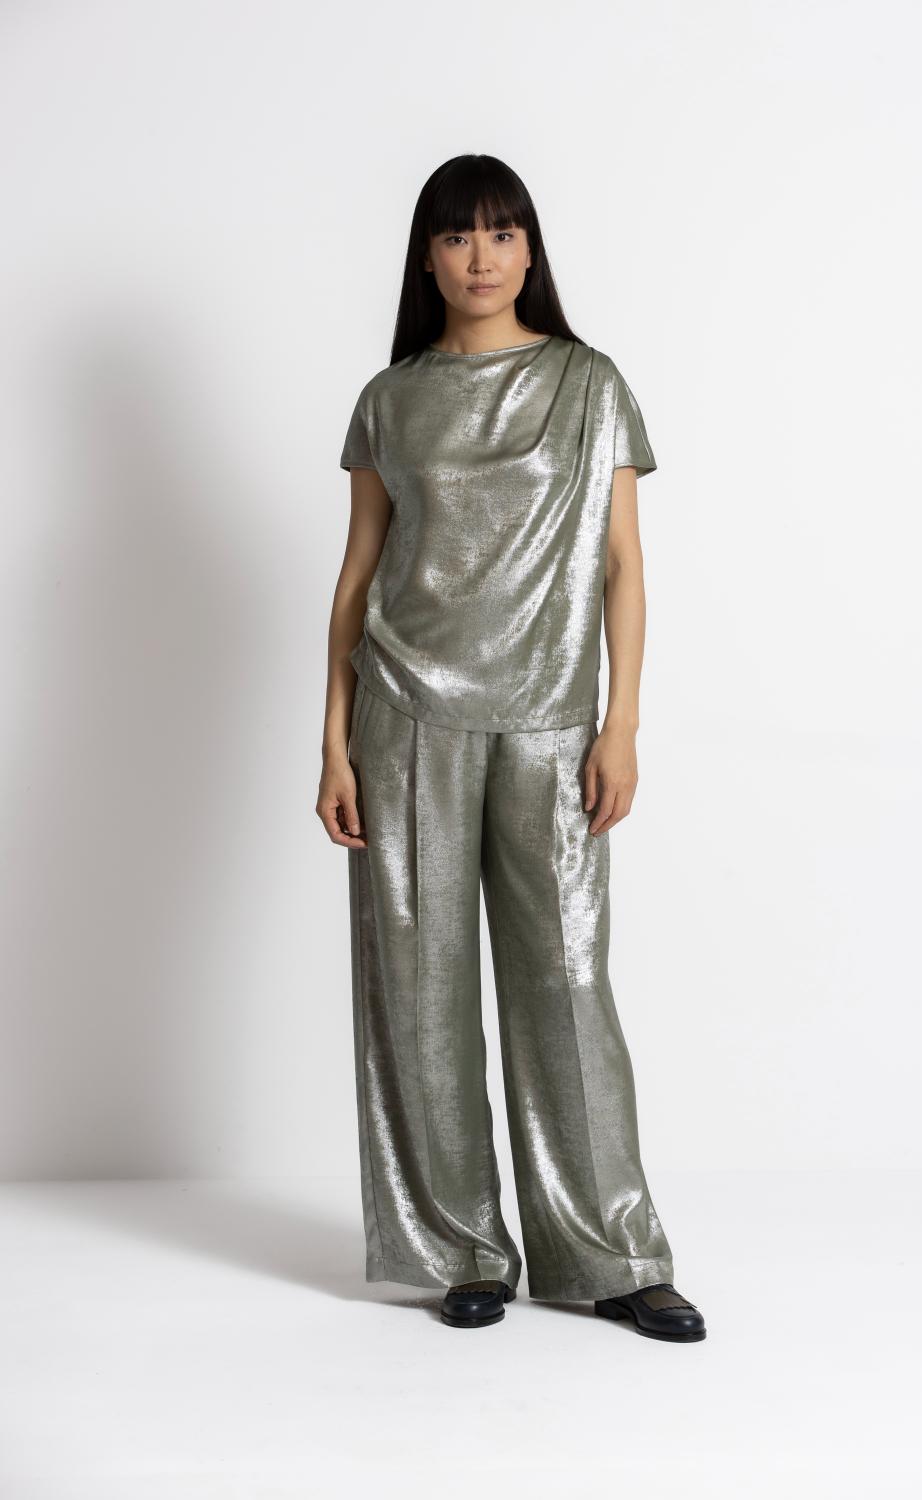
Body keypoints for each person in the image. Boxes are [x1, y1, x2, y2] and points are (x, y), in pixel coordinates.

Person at [317, 153, 706, 1343]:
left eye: (500, 232)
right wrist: (332, 742)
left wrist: (620, 723)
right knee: (418, 993)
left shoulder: (588, 384)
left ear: (531, 248)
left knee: (567, 984)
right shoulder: (390, 399)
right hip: (403, 718)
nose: (479, 257)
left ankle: (612, 1254)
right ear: (426, 257)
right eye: (456, 235)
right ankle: (462, 1250)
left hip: (549, 723)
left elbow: (623, 565)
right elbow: (359, 574)